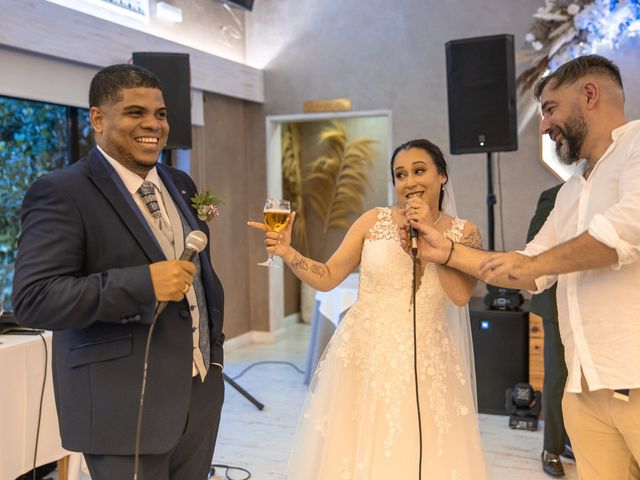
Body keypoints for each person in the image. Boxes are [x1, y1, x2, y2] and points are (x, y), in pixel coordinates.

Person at [413, 54, 640, 479]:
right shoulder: (570, 192)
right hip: (583, 389)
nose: (543, 126)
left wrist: (536, 262)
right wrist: (444, 251)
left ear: (589, 94)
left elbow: (624, 233)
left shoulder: (637, 147)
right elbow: (529, 270)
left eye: (550, 109)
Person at [12, 64, 225, 480]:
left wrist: (213, 360)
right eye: (134, 112)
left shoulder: (180, 183)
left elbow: (202, 281)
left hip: (198, 396)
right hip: (122, 404)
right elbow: (34, 299)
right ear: (97, 119)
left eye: (160, 113)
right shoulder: (62, 191)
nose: (153, 124)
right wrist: (143, 283)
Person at [249, 139, 488, 479]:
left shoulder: (464, 232)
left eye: (419, 171)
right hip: (364, 356)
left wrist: (432, 236)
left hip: (428, 361)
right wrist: (288, 253)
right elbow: (329, 277)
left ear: (443, 177)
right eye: (400, 174)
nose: (410, 182)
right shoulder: (371, 221)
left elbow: (460, 296)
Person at [527, 184, 571, 477]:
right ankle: (551, 448)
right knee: (557, 377)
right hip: (556, 302)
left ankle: (571, 439)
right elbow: (535, 247)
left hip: (591, 303)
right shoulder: (554, 195)